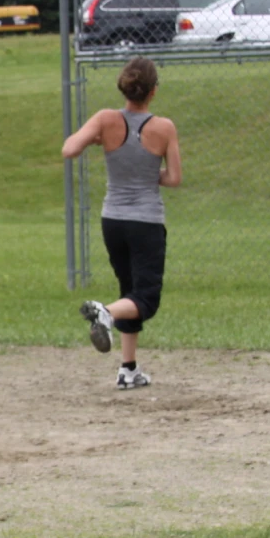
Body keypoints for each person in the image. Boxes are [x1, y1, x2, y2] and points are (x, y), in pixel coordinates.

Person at [61, 55, 181, 387]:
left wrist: (98, 138)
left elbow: (69, 149)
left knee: (130, 292)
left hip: (112, 220)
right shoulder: (164, 127)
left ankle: (128, 369)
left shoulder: (105, 118)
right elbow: (173, 178)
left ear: (124, 87)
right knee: (146, 299)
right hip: (145, 221)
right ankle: (106, 313)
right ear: (153, 91)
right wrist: (146, 174)